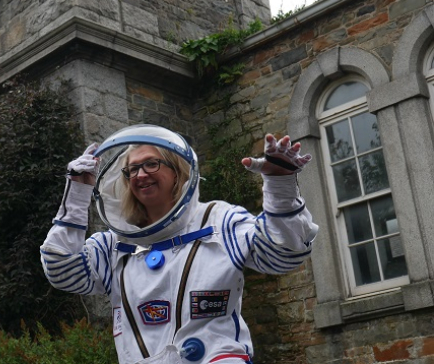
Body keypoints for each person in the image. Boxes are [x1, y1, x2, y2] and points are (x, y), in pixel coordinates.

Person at [41, 124, 318, 364]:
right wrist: (77, 192)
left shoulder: (218, 221)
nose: (140, 175)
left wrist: (280, 186)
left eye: (151, 164)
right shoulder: (113, 245)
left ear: (177, 171)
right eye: (132, 169)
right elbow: (62, 270)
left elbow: (284, 253)